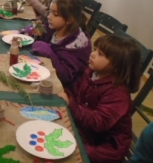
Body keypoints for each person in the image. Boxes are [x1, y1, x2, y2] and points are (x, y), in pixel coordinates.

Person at [58, 34, 141, 163]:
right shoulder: (92, 74)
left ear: (117, 66)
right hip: (88, 132)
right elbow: (76, 92)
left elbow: (98, 122)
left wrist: (71, 104)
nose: (92, 54)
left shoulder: (118, 94)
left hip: (106, 147)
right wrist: (65, 94)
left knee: (66, 151)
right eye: (95, 49)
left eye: (100, 54)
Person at [31, 0, 91, 85]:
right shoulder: (56, 28)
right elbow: (43, 34)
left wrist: (48, 51)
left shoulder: (75, 44)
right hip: (46, 71)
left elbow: (65, 76)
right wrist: (37, 34)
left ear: (69, 20)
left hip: (67, 87)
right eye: (50, 12)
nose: (49, 17)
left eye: (55, 14)